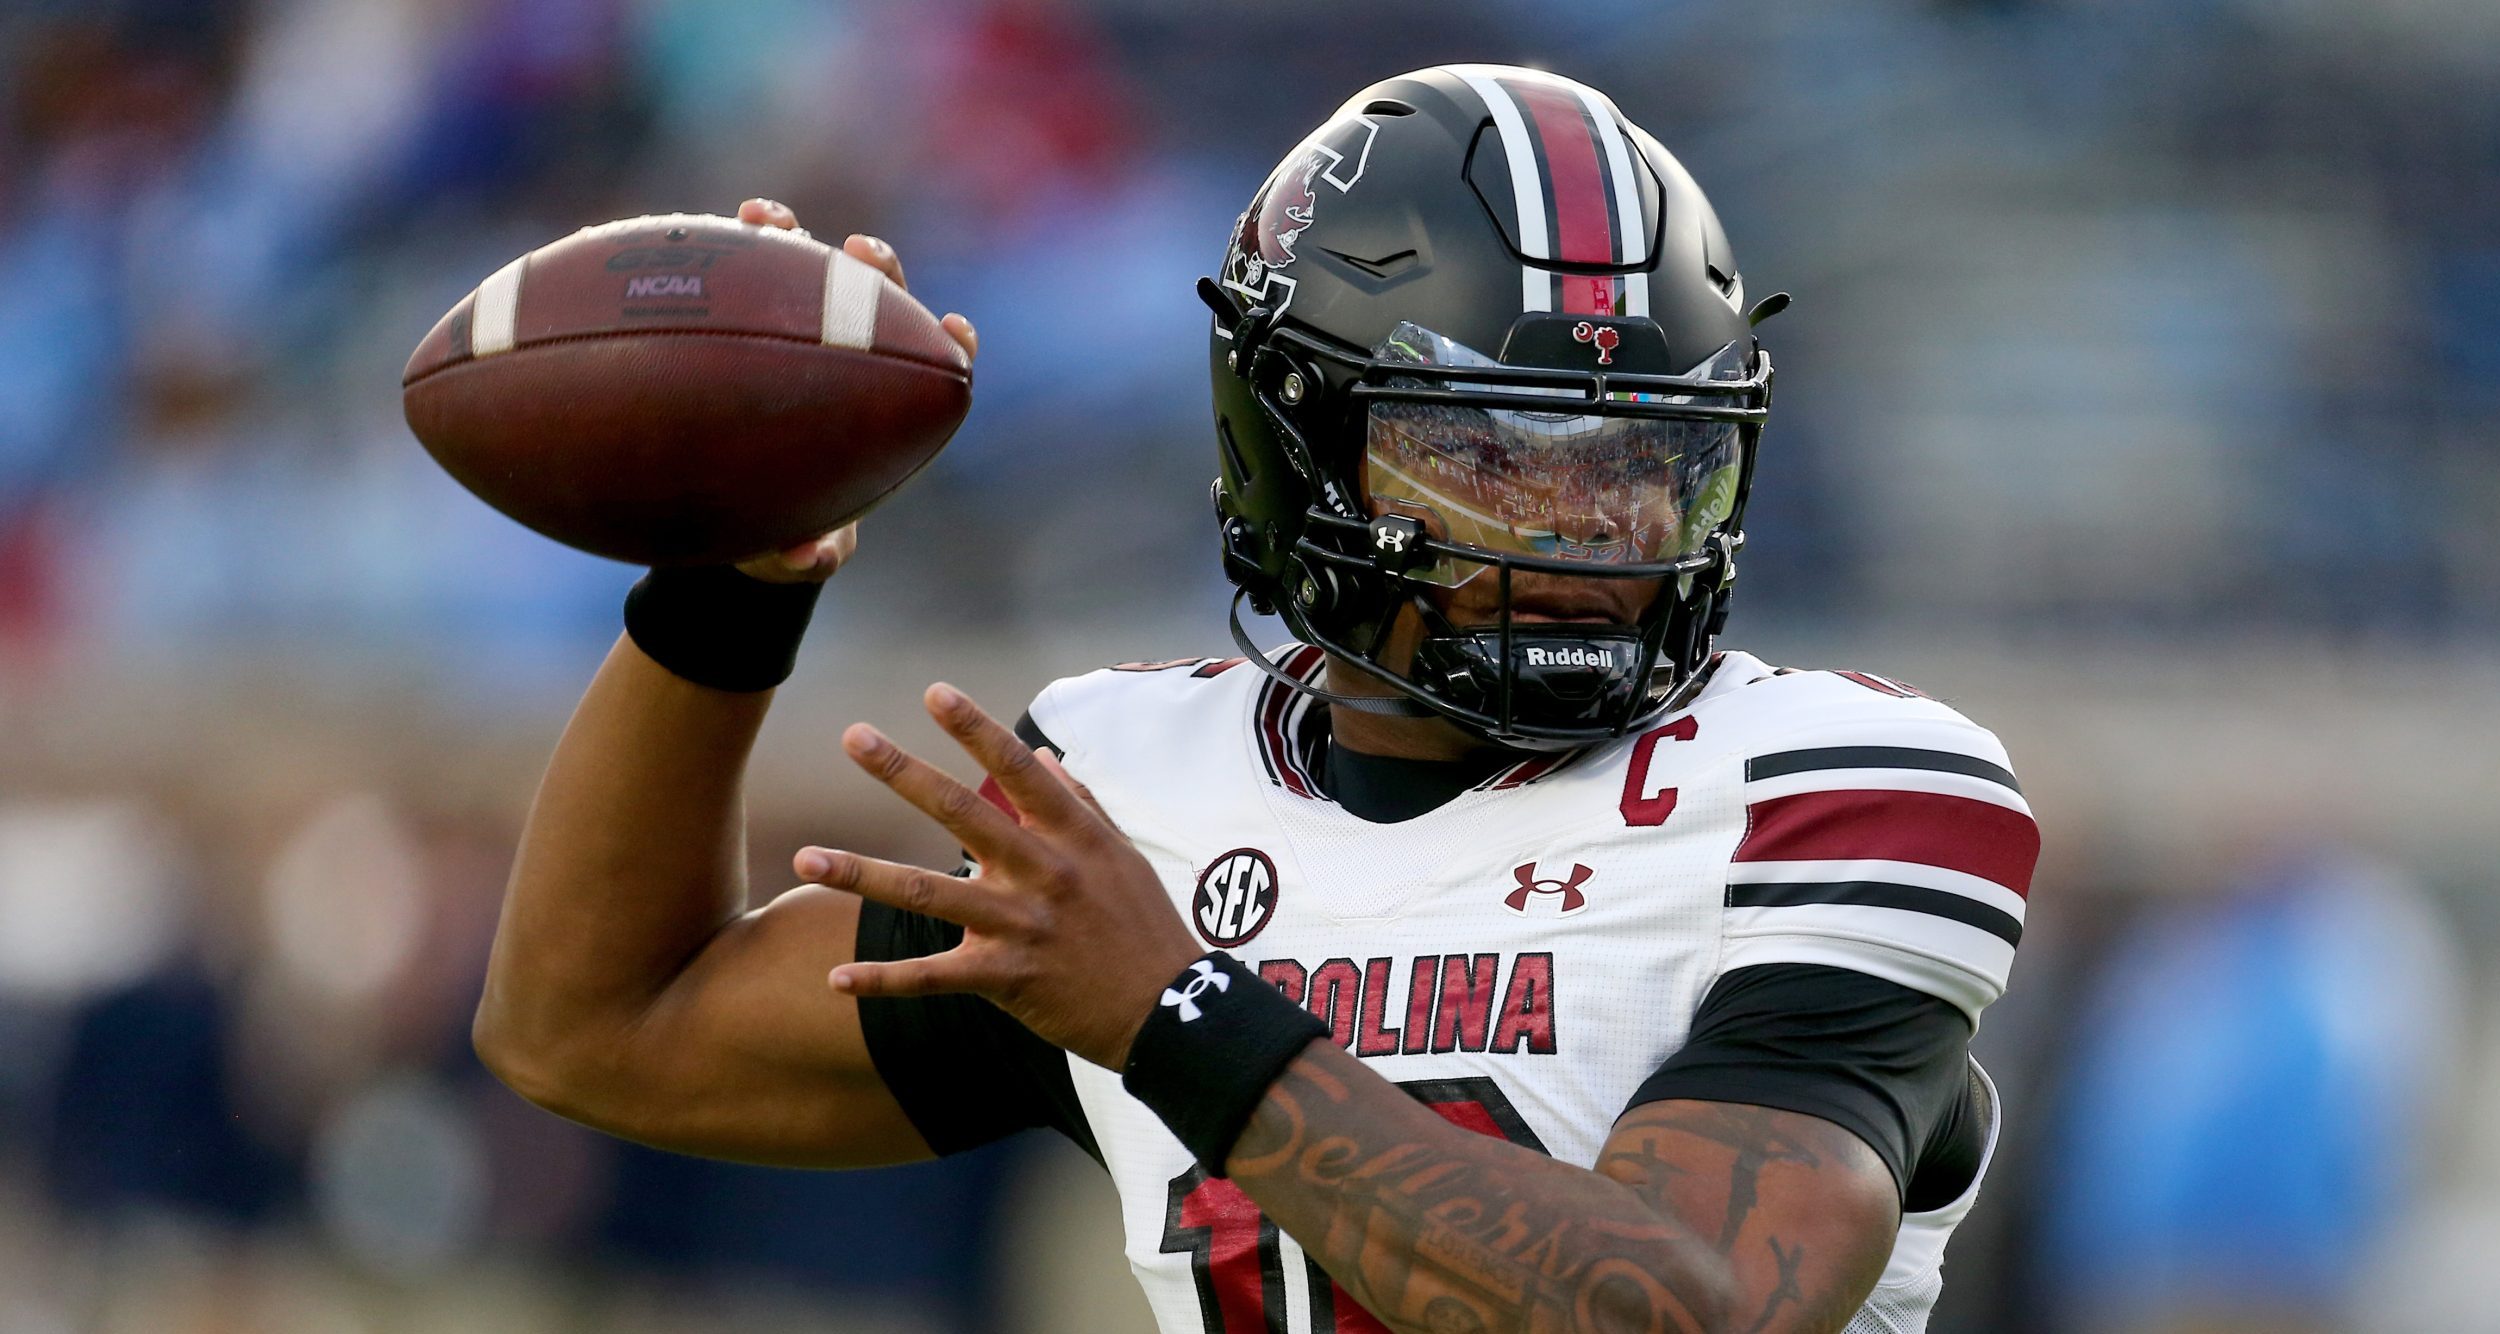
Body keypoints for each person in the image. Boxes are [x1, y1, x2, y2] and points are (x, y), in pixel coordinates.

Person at [474, 65, 2038, 1334]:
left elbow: (1679, 1320)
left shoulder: (1826, 789)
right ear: (1299, 447)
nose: (1586, 553)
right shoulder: (1141, 790)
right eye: (1493, 466)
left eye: (1643, 472)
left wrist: (1174, 1014)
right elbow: (596, 1026)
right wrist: (731, 586)